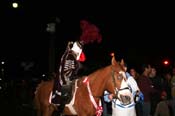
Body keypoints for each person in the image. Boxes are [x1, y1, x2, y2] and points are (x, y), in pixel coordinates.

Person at [51, 40, 86, 107]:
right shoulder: (70, 55)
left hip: (72, 76)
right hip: (65, 77)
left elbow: (75, 68)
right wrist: (72, 77)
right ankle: (61, 107)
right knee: (67, 86)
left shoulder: (73, 56)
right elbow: (67, 71)